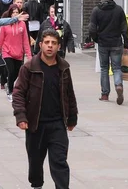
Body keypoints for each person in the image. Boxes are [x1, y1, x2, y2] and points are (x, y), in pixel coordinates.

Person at [12, 28, 78, 189]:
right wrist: (21, 116)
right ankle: (37, 185)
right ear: (40, 44)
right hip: (35, 124)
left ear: (59, 47)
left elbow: (69, 93)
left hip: (57, 124)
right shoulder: (29, 67)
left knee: (60, 161)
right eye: (47, 43)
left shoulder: (63, 68)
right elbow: (18, 93)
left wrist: (72, 118)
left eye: (54, 43)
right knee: (35, 161)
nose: (50, 46)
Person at [89, 0, 128, 104]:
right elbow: (124, 28)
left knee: (104, 68)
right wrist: (127, 44)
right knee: (117, 67)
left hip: (103, 43)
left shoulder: (96, 10)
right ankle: (118, 85)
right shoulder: (118, 10)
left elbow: (92, 28)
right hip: (116, 43)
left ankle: (105, 94)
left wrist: (96, 39)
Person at [0, 4, 32, 102]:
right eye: (13, 13)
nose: (15, 14)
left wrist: (29, 55)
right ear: (10, 14)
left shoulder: (22, 24)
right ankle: (10, 91)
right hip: (7, 52)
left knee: (17, 73)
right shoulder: (5, 25)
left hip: (19, 53)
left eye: (17, 12)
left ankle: (9, 83)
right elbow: (0, 39)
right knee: (11, 71)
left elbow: (25, 40)